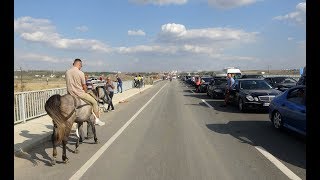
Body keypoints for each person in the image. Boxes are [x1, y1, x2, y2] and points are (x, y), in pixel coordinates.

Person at [65, 59, 105, 126]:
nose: (81, 67)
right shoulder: (80, 73)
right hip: (79, 94)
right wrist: (86, 91)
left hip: (69, 94)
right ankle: (97, 120)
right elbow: (84, 86)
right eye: (81, 66)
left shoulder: (67, 72)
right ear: (79, 64)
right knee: (95, 102)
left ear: (73, 64)